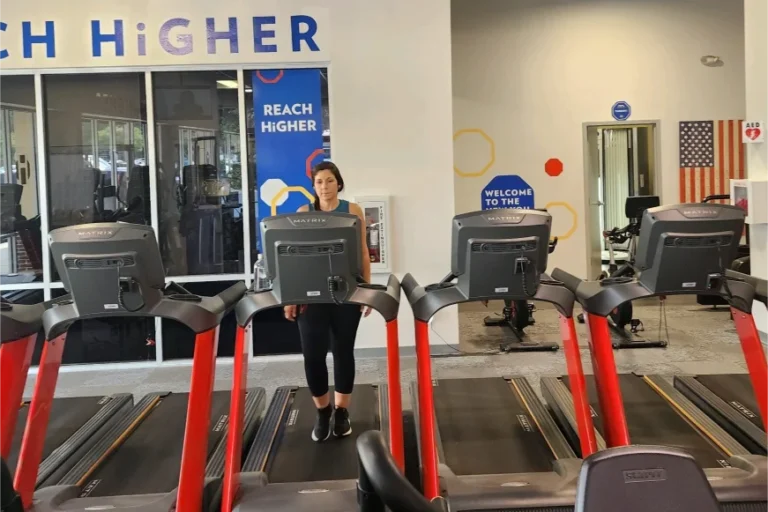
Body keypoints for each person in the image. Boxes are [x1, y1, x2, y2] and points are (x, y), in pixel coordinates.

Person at [283, 161, 372, 442]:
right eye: (319, 181)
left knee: (343, 351)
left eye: (330, 181)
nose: (324, 186)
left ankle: (342, 411)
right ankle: (322, 412)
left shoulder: (352, 211)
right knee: (313, 354)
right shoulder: (303, 213)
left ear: (339, 183)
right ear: (313, 185)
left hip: (346, 293)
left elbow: (363, 253)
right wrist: (291, 296)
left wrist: (366, 291)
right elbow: (293, 259)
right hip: (310, 296)